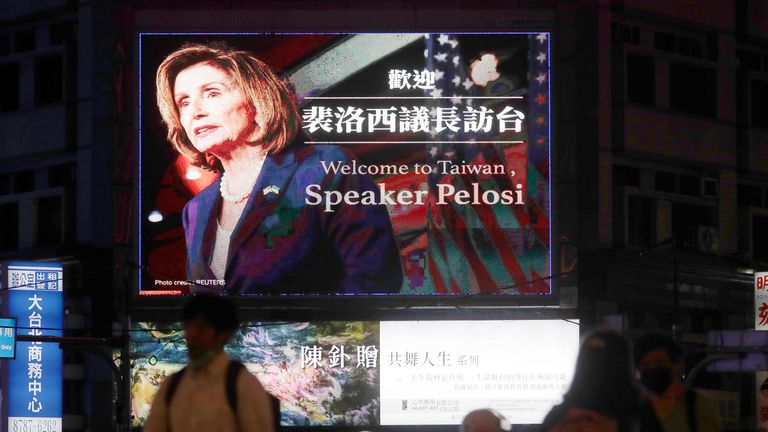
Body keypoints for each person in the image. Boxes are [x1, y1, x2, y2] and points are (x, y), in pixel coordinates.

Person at [155, 42, 403, 295]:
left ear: (257, 100)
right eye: (183, 102)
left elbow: (375, 281)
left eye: (212, 93)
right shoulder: (195, 210)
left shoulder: (323, 168)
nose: (194, 111)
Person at [143, 294, 275, 432]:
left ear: (224, 334)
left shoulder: (243, 385)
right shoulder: (171, 386)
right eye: (188, 326)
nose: (191, 334)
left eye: (201, 328)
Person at [541, 329, 662, 432]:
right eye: (592, 359)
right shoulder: (644, 413)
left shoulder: (560, 415)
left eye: (607, 361)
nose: (598, 368)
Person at [634, 333, 721, 432]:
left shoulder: (699, 407)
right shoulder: (631, 410)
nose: (652, 368)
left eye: (659, 362)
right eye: (645, 364)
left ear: (677, 365)